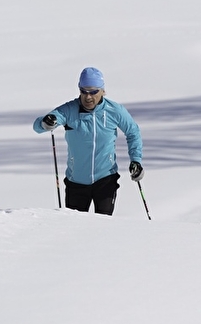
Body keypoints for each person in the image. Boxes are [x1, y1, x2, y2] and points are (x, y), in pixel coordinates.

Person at [32, 67, 143, 215]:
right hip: (76, 182)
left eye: (93, 92)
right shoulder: (70, 110)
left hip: (106, 179)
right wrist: (46, 122)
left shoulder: (114, 110)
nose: (88, 97)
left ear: (102, 91)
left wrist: (136, 160)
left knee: (103, 227)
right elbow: (38, 126)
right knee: (74, 230)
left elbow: (133, 132)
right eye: (83, 91)